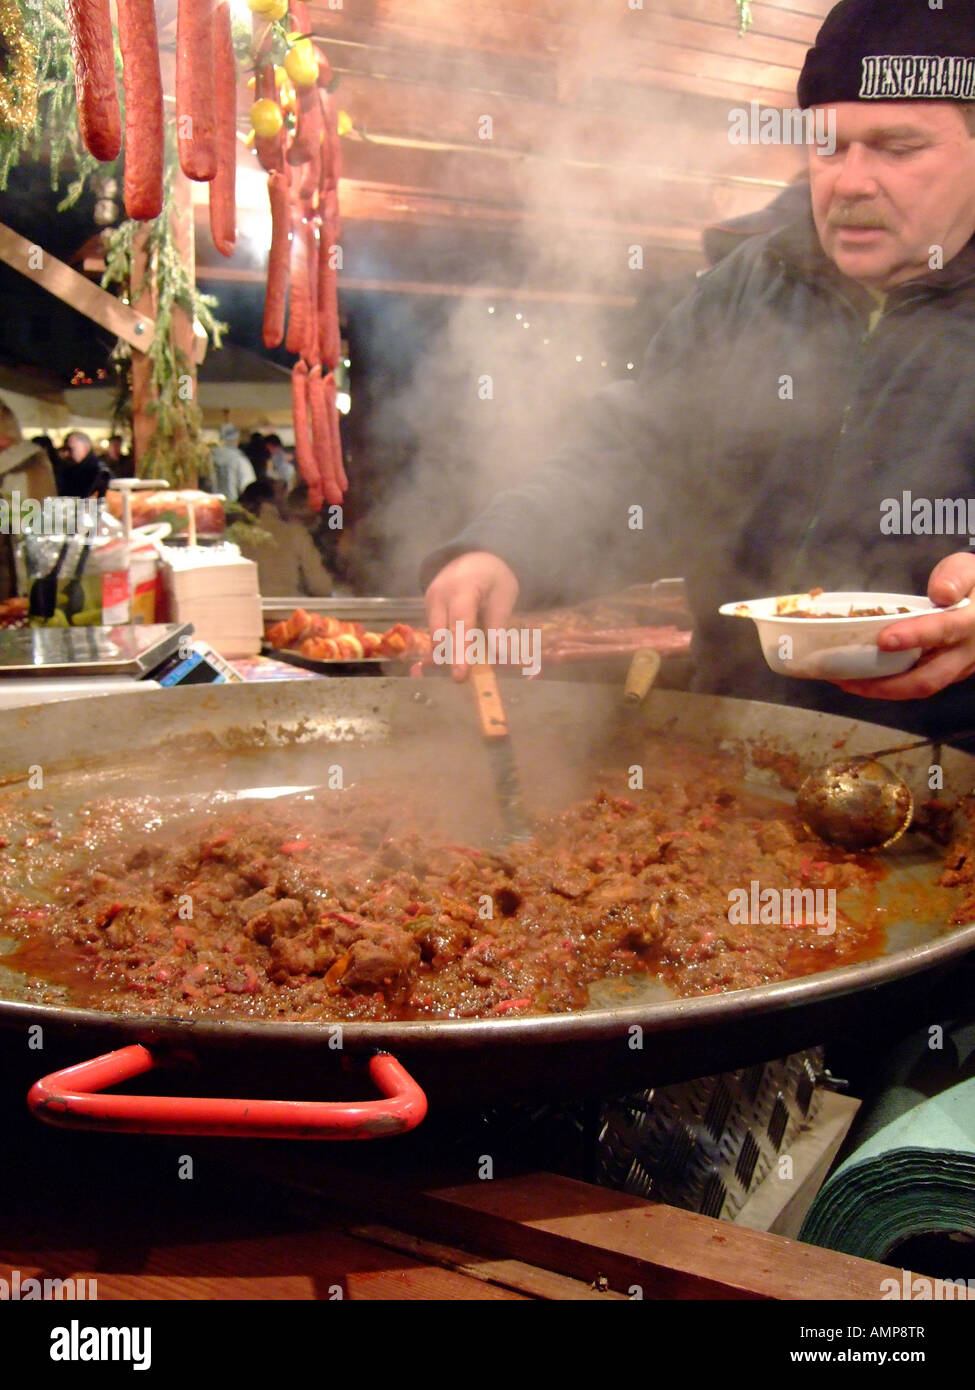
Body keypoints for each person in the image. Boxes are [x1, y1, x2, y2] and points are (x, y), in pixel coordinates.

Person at [422, 0, 975, 741]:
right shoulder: (748, 285)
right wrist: (507, 545)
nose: (848, 182)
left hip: (949, 761)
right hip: (743, 749)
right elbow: (642, 452)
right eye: (827, 146)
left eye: (895, 147)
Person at [236, 479, 333, 596]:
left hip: (246, 608)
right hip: (289, 609)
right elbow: (321, 587)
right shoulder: (294, 532)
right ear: (276, 500)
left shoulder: (234, 535)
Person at [57, 431, 112, 498]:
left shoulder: (99, 472)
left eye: (70, 449)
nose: (66, 454)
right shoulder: (66, 469)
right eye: (64, 449)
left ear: (86, 447)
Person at [210, 424, 256, 502]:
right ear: (236, 440)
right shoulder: (239, 460)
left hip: (211, 506)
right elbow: (248, 486)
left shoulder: (210, 458)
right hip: (233, 506)